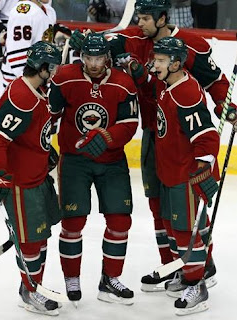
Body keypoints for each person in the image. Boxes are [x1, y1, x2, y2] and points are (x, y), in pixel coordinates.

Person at [69, 0, 237, 293]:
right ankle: (173, 266)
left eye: (145, 18)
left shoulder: (190, 46)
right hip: (153, 134)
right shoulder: (135, 38)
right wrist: (86, 38)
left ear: (162, 18)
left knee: (186, 205)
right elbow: (106, 45)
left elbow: (215, 82)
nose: (140, 24)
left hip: (182, 139)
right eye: (139, 17)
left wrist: (228, 107)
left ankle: (202, 265)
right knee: (159, 204)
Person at [49, 33, 139, 305]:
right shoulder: (65, 77)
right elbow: (48, 114)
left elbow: (130, 121)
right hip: (75, 160)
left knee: (120, 221)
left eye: (99, 58)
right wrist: (41, 146)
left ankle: (109, 279)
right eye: (88, 57)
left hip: (112, 162)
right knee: (73, 223)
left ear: (107, 58)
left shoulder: (124, 83)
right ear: (82, 57)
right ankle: (71, 277)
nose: (94, 63)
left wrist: (107, 138)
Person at [0, 41, 62, 316]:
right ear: (40, 68)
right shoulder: (23, 97)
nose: (53, 72)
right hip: (21, 184)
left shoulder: (37, 91)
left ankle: (33, 283)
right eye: (51, 67)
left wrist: (44, 151)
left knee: (40, 238)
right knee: (30, 241)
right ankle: (30, 291)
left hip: (38, 176)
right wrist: (0, 178)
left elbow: (29, 133)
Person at [152, 36, 219, 315]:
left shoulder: (187, 93)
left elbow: (207, 135)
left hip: (185, 175)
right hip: (169, 172)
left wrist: (203, 168)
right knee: (173, 227)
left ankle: (197, 285)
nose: (155, 65)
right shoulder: (169, 85)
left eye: (160, 61)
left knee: (184, 232)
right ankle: (193, 271)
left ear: (176, 64)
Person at [0, 0, 70, 89]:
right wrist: (34, 84)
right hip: (20, 85)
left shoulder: (48, 10)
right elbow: (18, 60)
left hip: (40, 80)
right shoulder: (23, 13)